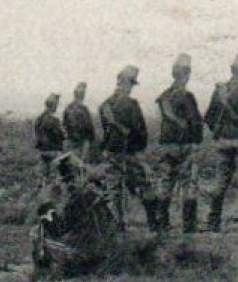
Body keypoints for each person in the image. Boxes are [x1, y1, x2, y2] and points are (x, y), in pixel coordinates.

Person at [31, 152, 124, 279]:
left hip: (91, 257)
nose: (69, 184)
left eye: (70, 179)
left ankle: (44, 276)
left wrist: (46, 205)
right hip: (110, 250)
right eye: (67, 180)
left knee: (36, 235)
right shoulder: (95, 193)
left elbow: (57, 230)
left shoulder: (80, 199)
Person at [204, 53, 238, 232]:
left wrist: (219, 133)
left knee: (220, 181)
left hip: (222, 141)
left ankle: (213, 222)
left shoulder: (219, 91)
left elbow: (208, 117)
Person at [97, 65, 153, 227]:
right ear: (127, 83)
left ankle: (117, 224)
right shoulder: (132, 105)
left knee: (114, 191)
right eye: (131, 84)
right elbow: (140, 131)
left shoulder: (104, 105)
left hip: (111, 153)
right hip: (129, 153)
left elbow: (106, 132)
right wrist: (140, 148)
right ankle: (153, 223)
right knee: (143, 185)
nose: (130, 88)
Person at [154, 54, 204, 233]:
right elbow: (195, 122)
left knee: (165, 182)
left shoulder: (164, 96)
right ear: (186, 74)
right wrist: (197, 139)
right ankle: (189, 225)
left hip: (167, 145)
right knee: (189, 183)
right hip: (185, 145)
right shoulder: (187, 96)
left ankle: (162, 222)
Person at [63, 82, 98, 163]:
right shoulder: (83, 109)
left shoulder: (68, 108)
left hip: (70, 142)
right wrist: (92, 140)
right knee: (82, 166)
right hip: (82, 143)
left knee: (71, 165)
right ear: (82, 95)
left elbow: (64, 125)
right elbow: (89, 127)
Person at [34, 93, 66, 179]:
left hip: (42, 152)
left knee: (43, 178)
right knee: (54, 179)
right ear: (54, 105)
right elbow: (62, 136)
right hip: (54, 152)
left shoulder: (38, 119)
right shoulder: (54, 120)